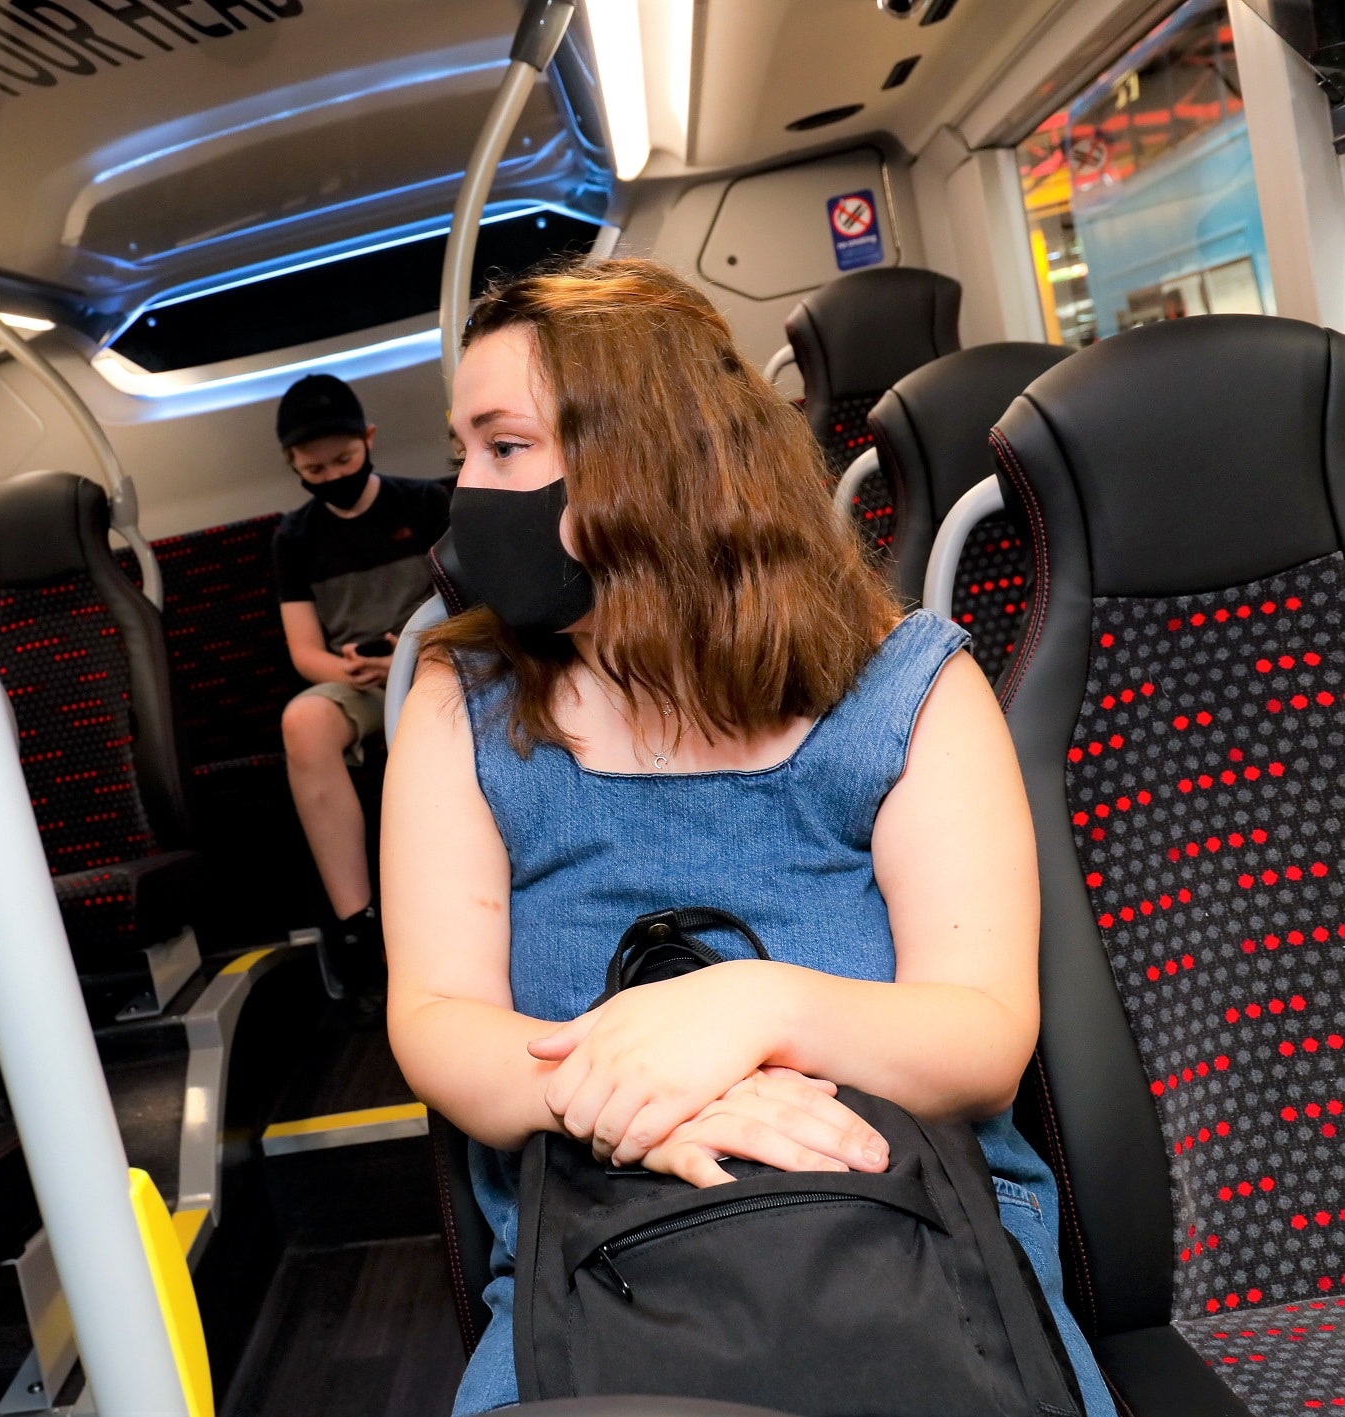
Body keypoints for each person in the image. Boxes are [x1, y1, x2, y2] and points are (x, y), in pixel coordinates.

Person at [380, 261, 1113, 1417]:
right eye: (463, 449)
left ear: (643, 457)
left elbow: (978, 1039)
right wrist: (658, 1091)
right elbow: (435, 1020)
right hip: (603, 1237)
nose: (463, 488)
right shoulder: (457, 701)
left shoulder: (908, 686)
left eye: (503, 447)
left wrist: (749, 1010)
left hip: (914, 1225)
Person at [271, 373, 449, 988]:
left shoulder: (427, 503)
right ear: (293, 466)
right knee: (303, 720)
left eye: (343, 460)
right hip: (357, 681)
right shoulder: (293, 538)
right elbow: (304, 652)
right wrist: (354, 669)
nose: (332, 477)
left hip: (436, 662)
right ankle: (359, 925)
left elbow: (468, 610)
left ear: (368, 441)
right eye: (314, 471)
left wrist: (410, 654)